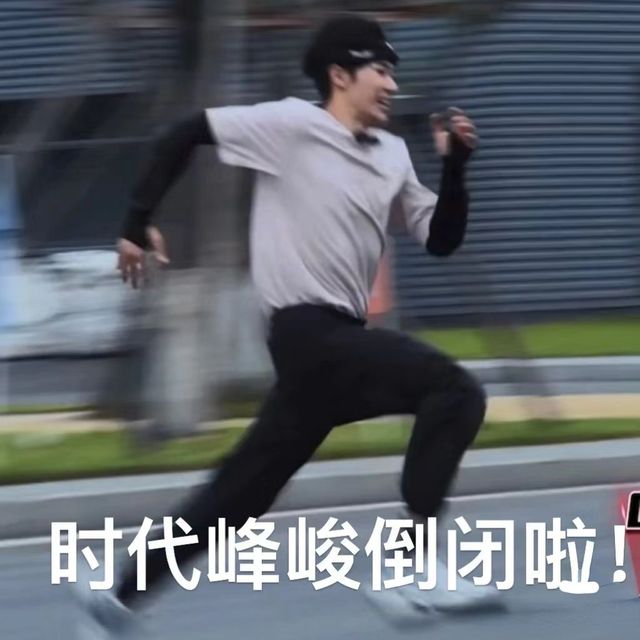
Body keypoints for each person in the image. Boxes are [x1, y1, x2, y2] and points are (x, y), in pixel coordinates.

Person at [78, 14, 501, 639]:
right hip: (306, 333)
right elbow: (184, 133)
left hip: (331, 346)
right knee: (455, 391)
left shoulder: (391, 153)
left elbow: (440, 239)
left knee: (242, 491)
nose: (392, 84)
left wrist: (456, 168)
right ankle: (407, 567)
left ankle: (118, 599)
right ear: (339, 75)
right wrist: (137, 221)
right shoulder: (288, 125)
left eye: (394, 73)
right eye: (380, 71)